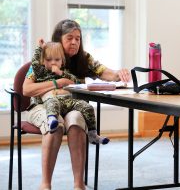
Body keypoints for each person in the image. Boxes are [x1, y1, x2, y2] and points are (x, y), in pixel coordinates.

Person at [23, 19, 131, 190]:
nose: (74, 42)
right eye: (69, 38)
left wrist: (119, 73)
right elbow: (26, 89)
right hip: (42, 106)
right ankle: (45, 185)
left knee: (77, 119)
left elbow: (104, 72)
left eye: (78, 38)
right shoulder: (45, 55)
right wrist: (58, 83)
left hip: (71, 106)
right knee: (56, 124)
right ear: (59, 39)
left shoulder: (84, 58)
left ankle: (78, 185)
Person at [31, 41, 109, 144]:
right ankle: (51, 120)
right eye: (48, 60)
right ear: (43, 61)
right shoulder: (41, 72)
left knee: (87, 107)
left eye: (57, 60)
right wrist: (40, 48)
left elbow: (75, 81)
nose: (53, 62)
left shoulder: (64, 72)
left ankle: (92, 134)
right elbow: (35, 63)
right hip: (53, 100)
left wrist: (61, 73)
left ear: (62, 61)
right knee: (52, 102)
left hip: (68, 102)